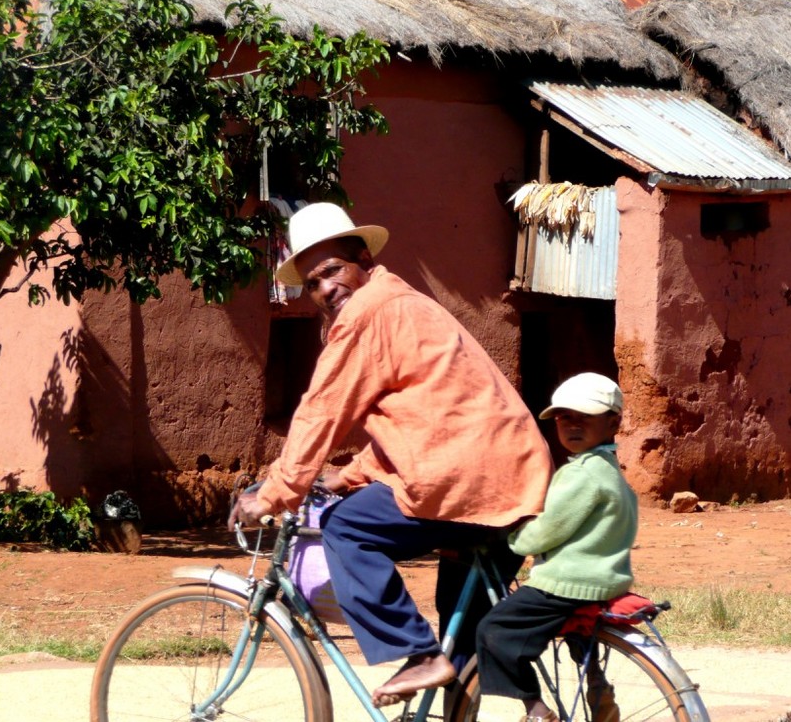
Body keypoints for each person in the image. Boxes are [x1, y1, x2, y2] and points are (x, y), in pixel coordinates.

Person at [229, 202, 554, 707]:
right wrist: (354, 475)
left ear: (362, 259)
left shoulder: (367, 313)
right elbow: (423, 416)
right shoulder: (405, 302)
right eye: (312, 283)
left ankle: (415, 653)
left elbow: (321, 412)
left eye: (333, 270)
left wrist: (275, 493)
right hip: (512, 477)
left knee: (346, 529)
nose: (324, 289)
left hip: (462, 480)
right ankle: (528, 707)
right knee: (460, 626)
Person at [474, 372, 638, 722]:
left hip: (568, 582)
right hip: (606, 580)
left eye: (585, 417)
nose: (572, 425)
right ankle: (596, 686)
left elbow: (549, 529)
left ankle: (535, 709)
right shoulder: (609, 471)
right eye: (565, 417)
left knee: (493, 630)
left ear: (613, 422)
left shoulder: (583, 473)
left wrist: (514, 538)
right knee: (574, 630)